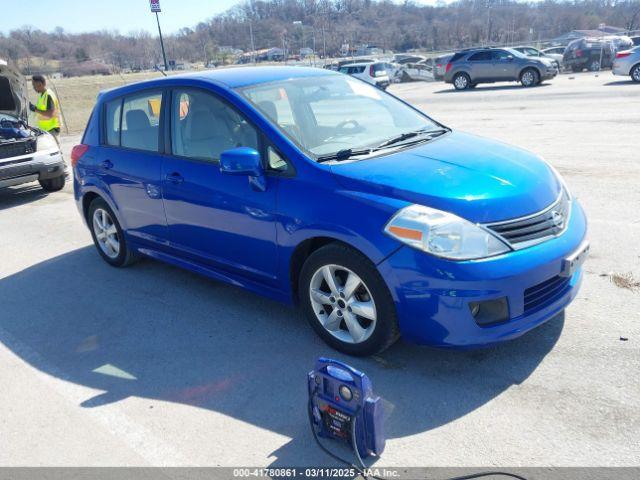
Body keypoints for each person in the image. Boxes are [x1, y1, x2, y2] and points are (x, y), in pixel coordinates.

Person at [29, 75, 62, 145]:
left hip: (52, 129)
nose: (34, 88)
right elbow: (41, 111)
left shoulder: (48, 95)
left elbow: (50, 114)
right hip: (46, 130)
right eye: (33, 86)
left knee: (55, 152)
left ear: (42, 84)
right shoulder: (42, 95)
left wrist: (35, 109)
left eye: (35, 85)